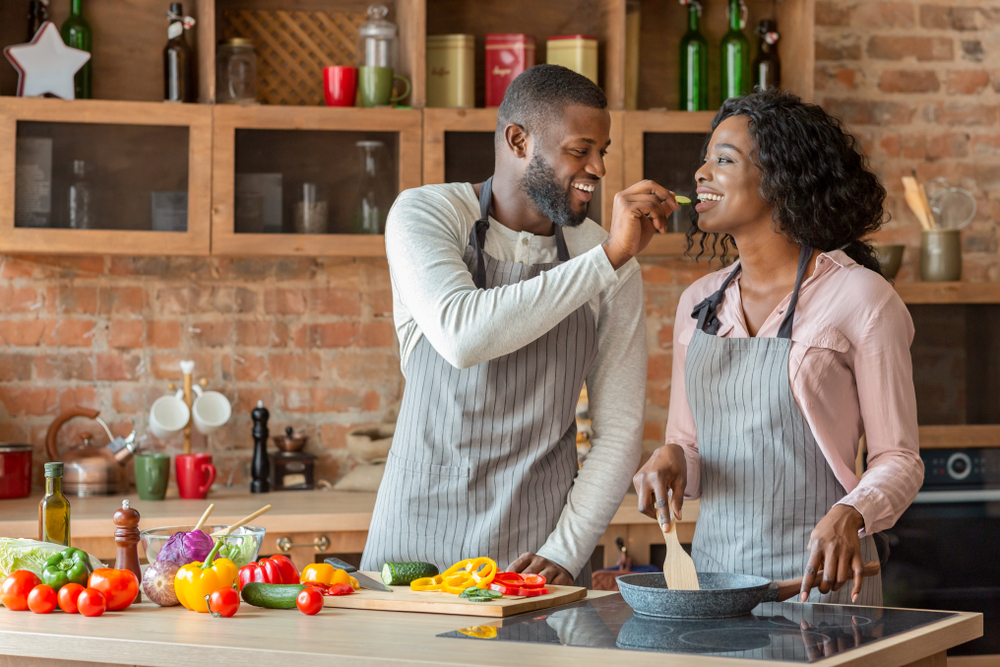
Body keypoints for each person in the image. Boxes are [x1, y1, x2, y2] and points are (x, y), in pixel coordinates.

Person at [361, 65, 680, 586]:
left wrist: (566, 550)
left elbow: (619, 429)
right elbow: (463, 336)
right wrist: (608, 257)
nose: (599, 167)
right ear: (518, 140)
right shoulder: (426, 214)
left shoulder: (606, 258)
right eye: (580, 150)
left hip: (533, 553)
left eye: (603, 150)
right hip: (411, 541)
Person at [633, 89, 923, 605]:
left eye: (723, 160)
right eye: (705, 160)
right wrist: (671, 457)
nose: (700, 173)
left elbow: (899, 458)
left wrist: (852, 513)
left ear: (781, 178)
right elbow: (692, 447)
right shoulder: (700, 303)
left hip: (819, 582)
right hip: (714, 585)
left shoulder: (860, 297)